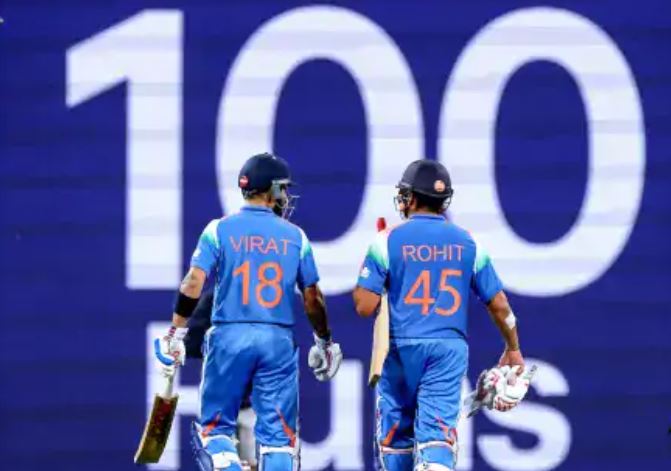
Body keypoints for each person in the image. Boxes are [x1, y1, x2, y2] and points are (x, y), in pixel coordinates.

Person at [153, 152, 343, 471]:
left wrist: (175, 333)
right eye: (283, 189)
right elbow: (313, 298)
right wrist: (324, 341)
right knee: (279, 440)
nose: (286, 197)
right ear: (273, 190)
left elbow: (192, 283)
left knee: (214, 432)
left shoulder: (218, 230)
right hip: (277, 342)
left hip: (229, 336)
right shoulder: (295, 237)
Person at [353, 160, 525, 471]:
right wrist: (512, 347)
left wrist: (381, 277)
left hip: (399, 347)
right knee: (437, 439)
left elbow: (364, 306)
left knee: (395, 439)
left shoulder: (387, 240)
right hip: (447, 348)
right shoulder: (469, 242)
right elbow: (500, 305)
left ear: (411, 198)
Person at [184, 291, 257, 471]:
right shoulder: (214, 299)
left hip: (250, 402)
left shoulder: (262, 298)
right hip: (223, 404)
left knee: (252, 463)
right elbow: (191, 344)